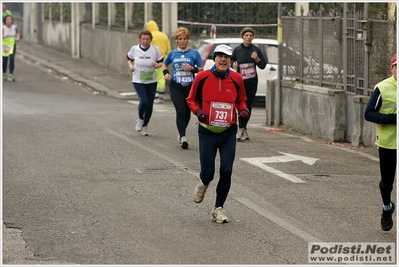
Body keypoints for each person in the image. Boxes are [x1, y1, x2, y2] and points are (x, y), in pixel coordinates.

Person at [186, 44, 249, 223]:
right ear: (214, 59)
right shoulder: (202, 77)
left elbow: (241, 100)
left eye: (226, 57)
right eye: (220, 56)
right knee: (208, 173)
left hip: (229, 132)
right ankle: (204, 183)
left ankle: (218, 208)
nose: (223, 59)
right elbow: (191, 99)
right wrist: (198, 112)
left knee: (226, 171)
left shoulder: (237, 78)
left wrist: (243, 110)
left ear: (230, 60)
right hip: (207, 132)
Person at [364, 54, 397, 231]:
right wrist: (391, 119)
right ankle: (387, 207)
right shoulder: (382, 88)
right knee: (387, 183)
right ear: (391, 69)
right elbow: (368, 113)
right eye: (397, 66)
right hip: (388, 143)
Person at [162, 27, 203, 149]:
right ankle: (183, 137)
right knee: (180, 110)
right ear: (177, 40)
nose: (183, 41)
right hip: (176, 86)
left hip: (190, 86)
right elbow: (165, 64)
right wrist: (166, 73)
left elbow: (201, 69)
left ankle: (181, 132)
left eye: (185, 38)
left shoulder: (194, 53)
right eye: (180, 39)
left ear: (188, 39)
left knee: (187, 113)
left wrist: (191, 69)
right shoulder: (173, 53)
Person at [231, 27, 267, 141]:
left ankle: (243, 127)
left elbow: (263, 65)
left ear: (253, 37)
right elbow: (231, 60)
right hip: (240, 82)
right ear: (242, 37)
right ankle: (239, 128)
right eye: (246, 35)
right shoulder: (237, 50)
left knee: (248, 105)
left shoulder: (255, 49)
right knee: (240, 104)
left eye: (250, 36)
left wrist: (257, 59)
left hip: (251, 82)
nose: (248, 37)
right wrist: (234, 65)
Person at [126, 29, 163, 136]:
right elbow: (128, 58)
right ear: (140, 39)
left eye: (147, 39)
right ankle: (140, 119)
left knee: (150, 104)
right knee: (144, 101)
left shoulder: (155, 49)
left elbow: (161, 61)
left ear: (151, 40)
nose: (145, 41)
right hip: (138, 80)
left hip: (152, 81)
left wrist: (157, 65)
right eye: (143, 39)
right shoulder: (135, 49)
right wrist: (130, 66)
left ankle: (145, 125)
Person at [145, 20, 171, 104]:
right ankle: (160, 96)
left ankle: (153, 96)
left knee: (151, 78)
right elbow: (168, 49)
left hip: (152, 60)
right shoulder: (164, 36)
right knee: (161, 78)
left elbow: (147, 48)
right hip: (163, 60)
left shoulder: (150, 36)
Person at [3, 14, 20, 82]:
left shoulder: (14, 27)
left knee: (12, 59)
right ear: (5, 21)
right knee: (5, 60)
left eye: (10, 19)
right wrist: (4, 37)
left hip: (13, 44)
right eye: (8, 19)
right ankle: (4, 73)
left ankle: (11, 74)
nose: (9, 21)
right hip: (5, 45)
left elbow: (18, 32)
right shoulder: (3, 28)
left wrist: (18, 37)